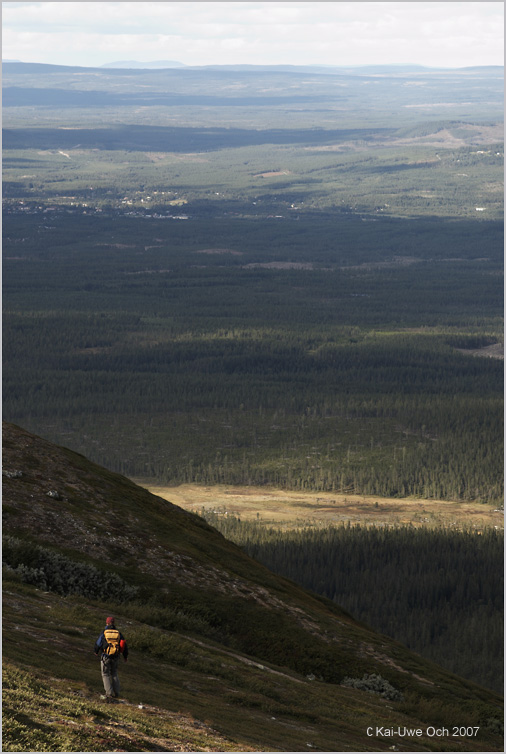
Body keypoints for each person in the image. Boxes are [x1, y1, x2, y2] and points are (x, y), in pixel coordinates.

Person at [94, 616, 128, 700]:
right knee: (114, 673)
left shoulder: (104, 632)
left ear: (107, 623)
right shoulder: (118, 633)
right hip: (116, 656)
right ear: (114, 623)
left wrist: (96, 651)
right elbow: (123, 645)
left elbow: (98, 643)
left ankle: (109, 693)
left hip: (106, 656)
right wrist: (125, 656)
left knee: (105, 674)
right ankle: (117, 693)